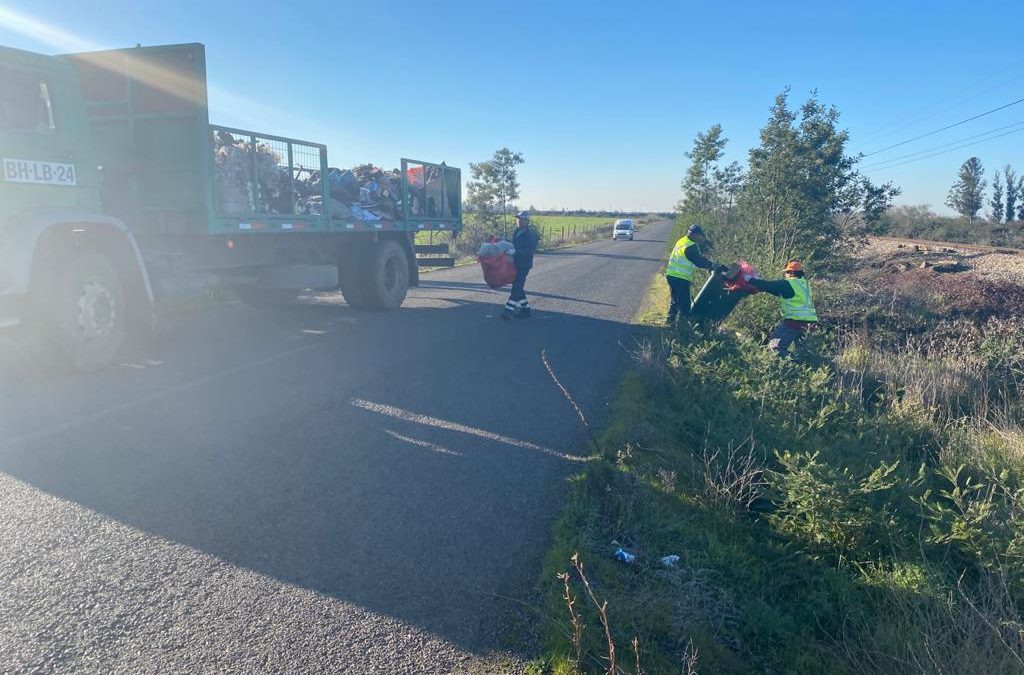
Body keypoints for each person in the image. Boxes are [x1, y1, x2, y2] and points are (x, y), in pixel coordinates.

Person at [748, 261, 819, 357]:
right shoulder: (804, 285)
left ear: (792, 273)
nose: (785, 275)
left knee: (775, 347)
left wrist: (748, 279)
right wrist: (761, 287)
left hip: (794, 322)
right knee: (803, 352)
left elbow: (769, 285)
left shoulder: (789, 283)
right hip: (809, 324)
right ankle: (802, 367)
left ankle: (793, 364)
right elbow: (776, 291)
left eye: (786, 272)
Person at [665, 224, 729, 324]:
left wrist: (710, 265)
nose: (701, 238)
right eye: (700, 236)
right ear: (695, 235)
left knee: (675, 301)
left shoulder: (682, 241)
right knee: (684, 304)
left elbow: (693, 259)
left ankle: (670, 322)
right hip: (680, 278)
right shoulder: (690, 246)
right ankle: (682, 327)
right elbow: (698, 261)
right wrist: (712, 265)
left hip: (671, 275)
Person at [503, 211, 539, 320]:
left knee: (516, 287)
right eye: (518, 219)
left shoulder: (530, 234)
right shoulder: (517, 231)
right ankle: (526, 310)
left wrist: (515, 252)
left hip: (524, 265)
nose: (518, 221)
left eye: (521, 219)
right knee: (519, 287)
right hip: (515, 263)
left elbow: (529, 250)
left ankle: (508, 311)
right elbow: (514, 245)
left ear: (527, 221)